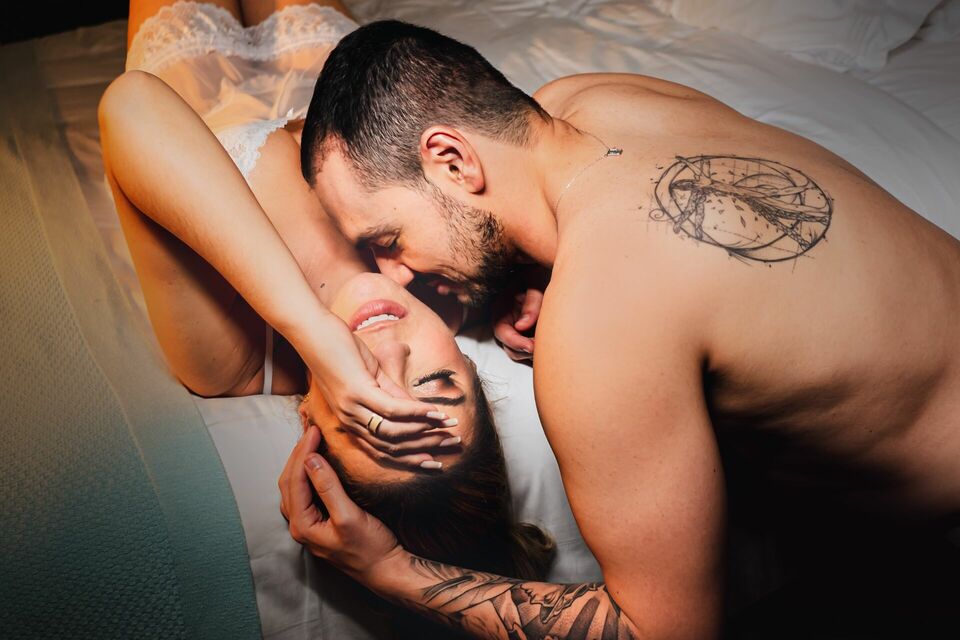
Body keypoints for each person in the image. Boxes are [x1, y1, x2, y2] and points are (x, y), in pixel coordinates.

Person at [283, 19, 960, 640]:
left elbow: (666, 630)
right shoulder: (595, 100)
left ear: (454, 161)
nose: (395, 275)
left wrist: (392, 570)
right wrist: (523, 272)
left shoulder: (596, 328)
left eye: (389, 240)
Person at [102, 0, 555, 607]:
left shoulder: (230, 361)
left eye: (367, 406)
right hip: (333, 65)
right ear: (469, 365)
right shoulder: (456, 281)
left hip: (188, 67)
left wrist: (309, 327)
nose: (387, 349)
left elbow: (131, 103)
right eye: (434, 380)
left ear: (312, 429)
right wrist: (518, 271)